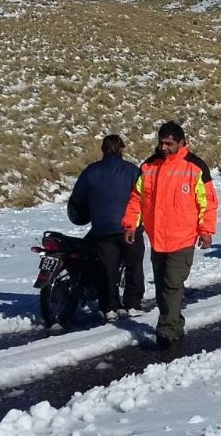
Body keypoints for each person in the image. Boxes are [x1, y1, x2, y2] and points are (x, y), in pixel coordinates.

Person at [122, 121, 218, 349]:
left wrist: (206, 231)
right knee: (162, 285)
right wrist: (130, 225)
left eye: (169, 143)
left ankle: (167, 330)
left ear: (182, 143)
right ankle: (175, 322)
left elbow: (208, 203)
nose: (164, 147)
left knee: (172, 284)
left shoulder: (195, 167)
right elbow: (137, 198)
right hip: (157, 238)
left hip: (182, 238)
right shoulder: (149, 167)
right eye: (161, 142)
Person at [69, 135, 146, 322]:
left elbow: (77, 198)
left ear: (103, 149)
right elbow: (144, 195)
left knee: (107, 268)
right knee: (133, 266)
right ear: (121, 149)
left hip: (102, 229)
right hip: (129, 227)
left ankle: (109, 308)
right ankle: (132, 304)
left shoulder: (91, 171)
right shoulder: (131, 170)